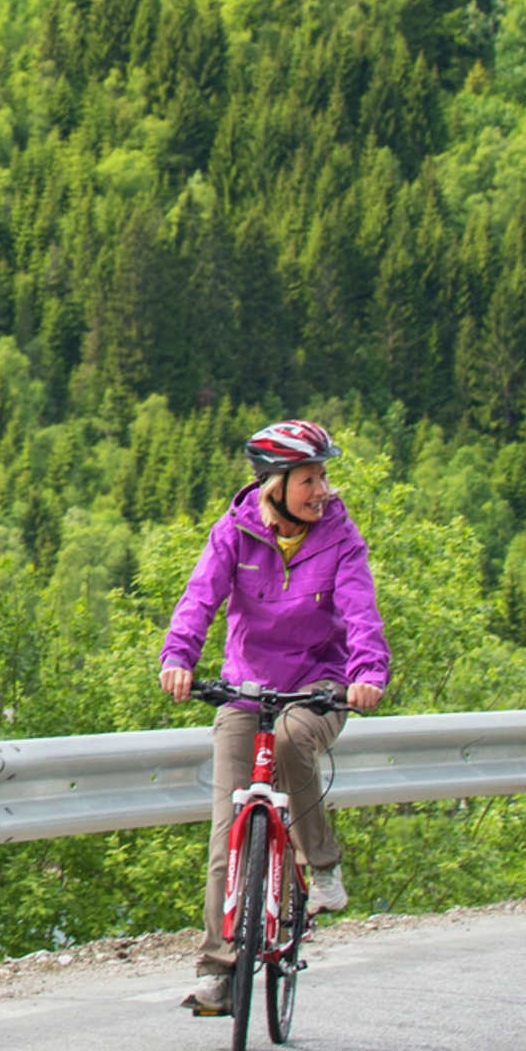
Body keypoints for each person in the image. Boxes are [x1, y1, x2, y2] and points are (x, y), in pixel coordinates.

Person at [159, 419, 391, 1018]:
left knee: (291, 739)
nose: (322, 490)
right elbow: (200, 598)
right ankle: (217, 970)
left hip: (320, 683)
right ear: (274, 485)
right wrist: (178, 657)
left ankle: (323, 865)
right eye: (309, 479)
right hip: (247, 687)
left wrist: (368, 673)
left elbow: (360, 608)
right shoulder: (233, 533)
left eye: (323, 477)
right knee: (226, 833)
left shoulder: (339, 536)